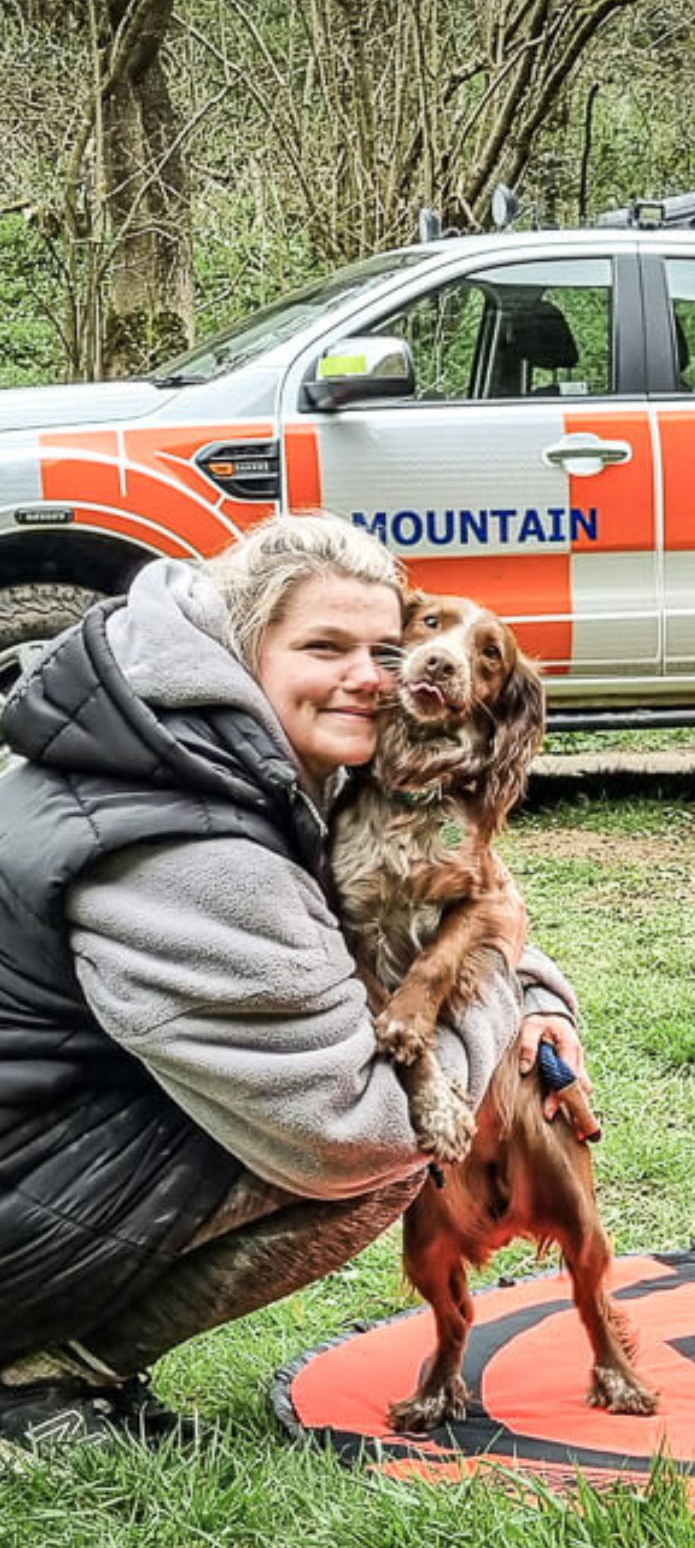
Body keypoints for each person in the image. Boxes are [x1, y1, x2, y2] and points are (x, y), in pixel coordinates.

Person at [0, 512, 586, 1448]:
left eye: (386, 646)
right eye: (325, 646)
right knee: (394, 1147)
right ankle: (38, 1378)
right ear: (240, 644)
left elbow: (411, 916)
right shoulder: (188, 845)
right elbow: (348, 1131)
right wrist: (502, 978)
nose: (378, 674)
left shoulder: (196, 744)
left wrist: (534, 999)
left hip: (35, 1140)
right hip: (20, 1190)